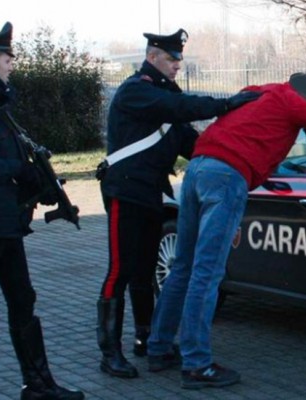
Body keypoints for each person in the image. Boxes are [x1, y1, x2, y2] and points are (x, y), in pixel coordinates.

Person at [147, 73, 306, 389]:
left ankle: (157, 349)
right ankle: (197, 364)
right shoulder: (292, 102)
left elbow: (243, 136)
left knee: (183, 266)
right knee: (207, 273)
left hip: (198, 169)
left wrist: (231, 218)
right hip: (227, 177)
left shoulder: (257, 93)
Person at [97, 28, 260, 379]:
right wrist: (225, 104)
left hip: (150, 193)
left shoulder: (165, 96)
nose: (176, 67)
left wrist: (233, 156)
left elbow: (194, 144)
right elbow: (178, 108)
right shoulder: (137, 90)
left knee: (143, 270)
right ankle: (110, 352)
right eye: (171, 60)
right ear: (153, 56)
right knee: (120, 270)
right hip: (124, 191)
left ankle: (146, 337)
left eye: (178, 61)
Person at [0, 23, 84, 400]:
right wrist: (15, 170)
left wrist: (33, 182)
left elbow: (8, 160)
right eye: (8, 59)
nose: (12, 65)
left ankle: (38, 385)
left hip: (7, 221)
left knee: (23, 299)